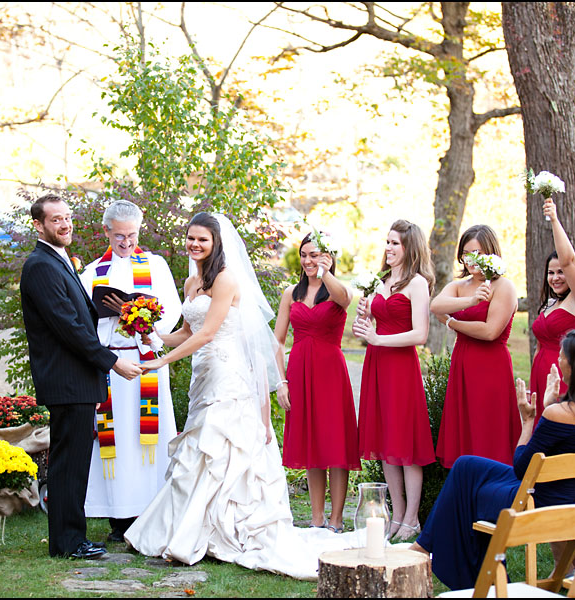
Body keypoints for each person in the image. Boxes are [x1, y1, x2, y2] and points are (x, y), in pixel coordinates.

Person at [125, 212, 365, 580]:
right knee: (200, 449)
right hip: (204, 374)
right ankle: (195, 527)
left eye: (202, 239)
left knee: (221, 444)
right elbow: (186, 331)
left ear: (216, 243)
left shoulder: (225, 279)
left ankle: (227, 528)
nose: (194, 244)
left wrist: (161, 361)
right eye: (191, 238)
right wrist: (154, 337)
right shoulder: (191, 282)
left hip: (227, 374)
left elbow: (208, 333)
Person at [409, 329, 575, 591]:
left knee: (468, 489)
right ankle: (425, 547)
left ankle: (429, 552)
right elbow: (567, 449)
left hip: (534, 502)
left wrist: (528, 420)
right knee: (465, 466)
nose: (558, 360)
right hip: (569, 497)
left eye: (562, 356)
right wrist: (551, 404)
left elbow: (521, 467)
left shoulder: (558, 414)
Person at [20, 193, 141, 560]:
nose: (65, 224)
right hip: (67, 379)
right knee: (68, 464)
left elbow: (82, 315)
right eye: (55, 219)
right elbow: (67, 326)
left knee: (74, 463)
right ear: (39, 225)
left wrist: (123, 310)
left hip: (78, 379)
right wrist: (111, 362)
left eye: (67, 217)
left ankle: (71, 539)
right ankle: (68, 543)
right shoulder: (40, 265)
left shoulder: (60, 260)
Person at [78, 200, 182, 543]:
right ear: (106, 232)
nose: (126, 242)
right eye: (119, 236)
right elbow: (82, 321)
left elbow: (171, 311)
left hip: (145, 363)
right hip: (111, 365)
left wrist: (136, 314)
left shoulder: (155, 266)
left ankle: (152, 513)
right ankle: (119, 518)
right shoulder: (93, 272)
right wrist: (107, 314)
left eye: (132, 235)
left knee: (148, 439)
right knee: (117, 442)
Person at [352, 220, 435, 541]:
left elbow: (420, 334)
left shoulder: (417, 283)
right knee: (387, 442)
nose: (388, 248)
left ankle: (412, 518)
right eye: (387, 242)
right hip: (377, 365)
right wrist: (363, 319)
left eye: (395, 243)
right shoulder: (381, 281)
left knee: (405, 442)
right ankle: (397, 515)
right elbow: (370, 324)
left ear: (409, 247)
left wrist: (378, 339)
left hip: (401, 368)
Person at [273, 232, 359, 534]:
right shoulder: (291, 293)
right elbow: (278, 340)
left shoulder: (336, 291)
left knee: (335, 443)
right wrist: (281, 381)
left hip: (330, 373)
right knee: (312, 443)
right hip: (299, 373)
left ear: (327, 257)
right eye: (304, 255)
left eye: (315, 255)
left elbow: (344, 299)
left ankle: (336, 519)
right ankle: (317, 517)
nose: (308, 260)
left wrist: (325, 271)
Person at [431, 224, 520, 468]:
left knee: (487, 430)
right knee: (465, 432)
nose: (471, 259)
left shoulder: (504, 286)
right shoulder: (460, 285)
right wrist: (471, 300)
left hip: (491, 366)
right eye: (466, 253)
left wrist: (452, 322)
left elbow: (490, 331)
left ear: (491, 253)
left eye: (477, 253)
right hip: (463, 363)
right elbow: (436, 305)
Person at [531, 199, 575, 423]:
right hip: (540, 377)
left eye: (561, 272)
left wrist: (554, 220)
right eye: (551, 273)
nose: (555, 278)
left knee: (561, 427)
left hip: (567, 376)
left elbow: (569, 261)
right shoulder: (550, 304)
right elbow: (540, 345)